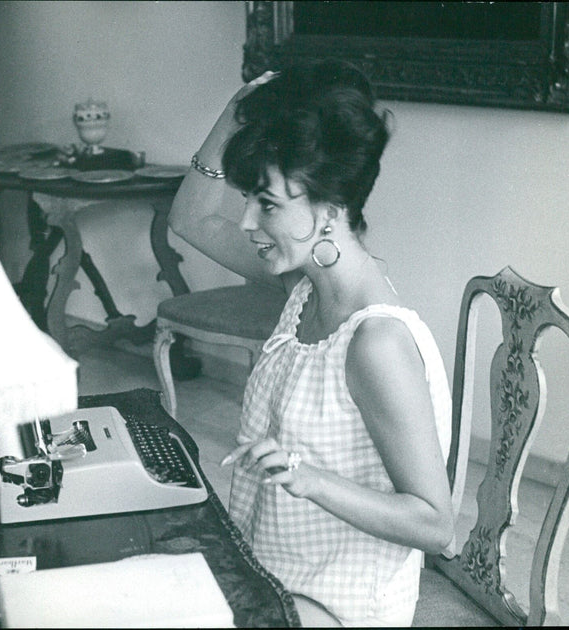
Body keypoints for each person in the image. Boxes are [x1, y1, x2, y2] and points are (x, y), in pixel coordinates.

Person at [168, 60, 454, 627]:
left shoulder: (376, 341)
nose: (247, 220)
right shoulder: (305, 288)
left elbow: (435, 524)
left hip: (338, 608)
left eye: (268, 204)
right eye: (249, 197)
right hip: (276, 579)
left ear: (329, 210)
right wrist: (240, 112)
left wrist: (310, 478)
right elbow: (192, 218)